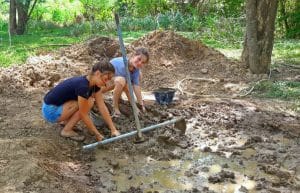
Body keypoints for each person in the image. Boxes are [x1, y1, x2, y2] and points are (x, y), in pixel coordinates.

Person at [42, 61, 120, 142]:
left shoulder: (94, 85)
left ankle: (66, 122)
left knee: (88, 101)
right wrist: (97, 134)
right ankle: (66, 130)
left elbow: (102, 106)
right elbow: (84, 114)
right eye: (105, 79)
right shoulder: (83, 86)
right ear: (97, 73)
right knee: (89, 102)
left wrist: (113, 129)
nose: (106, 83)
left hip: (57, 106)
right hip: (50, 111)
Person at [101, 47, 149, 117]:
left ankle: (122, 99)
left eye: (143, 62)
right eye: (139, 59)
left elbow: (136, 87)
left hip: (115, 82)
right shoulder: (121, 63)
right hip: (102, 86)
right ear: (133, 55)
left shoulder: (135, 69)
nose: (140, 63)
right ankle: (115, 107)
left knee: (135, 77)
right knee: (121, 80)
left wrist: (140, 103)